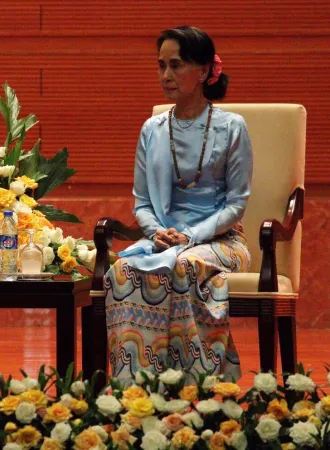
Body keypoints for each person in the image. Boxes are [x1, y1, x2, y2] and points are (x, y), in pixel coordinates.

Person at [104, 26, 253, 383]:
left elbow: (237, 203)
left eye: (176, 65)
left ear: (203, 71)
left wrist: (189, 237)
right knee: (122, 272)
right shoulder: (152, 129)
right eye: (161, 66)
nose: (166, 75)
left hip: (222, 242)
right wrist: (158, 234)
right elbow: (141, 203)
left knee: (184, 267)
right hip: (163, 239)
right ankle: (138, 387)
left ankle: (196, 386)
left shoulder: (232, 127)